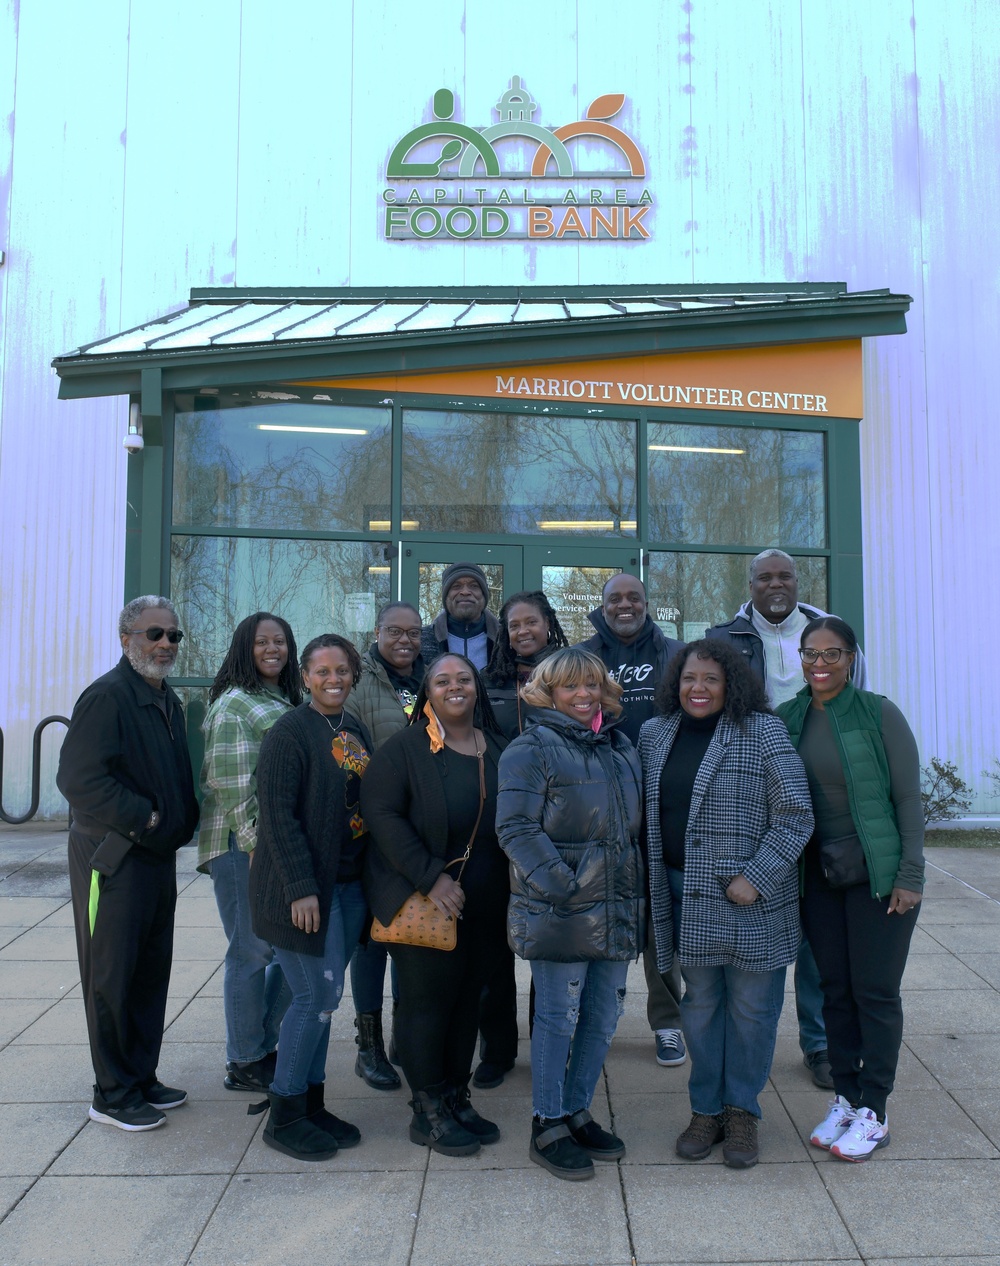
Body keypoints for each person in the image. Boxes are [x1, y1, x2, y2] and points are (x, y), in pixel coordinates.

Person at [638, 640, 813, 1169]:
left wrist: (756, 876)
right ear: (676, 681)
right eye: (690, 678)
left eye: (711, 680)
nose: (698, 688)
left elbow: (796, 813)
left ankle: (742, 1112)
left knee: (752, 1010)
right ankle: (705, 1109)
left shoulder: (762, 732)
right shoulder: (654, 734)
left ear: (730, 684)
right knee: (701, 1005)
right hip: (682, 895)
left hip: (751, 899)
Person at [706, 548, 869, 1091]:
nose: (776, 584)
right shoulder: (723, 639)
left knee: (820, 928)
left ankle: (819, 1043)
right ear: (749, 583)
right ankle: (742, 1039)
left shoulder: (832, 634)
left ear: (799, 581)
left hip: (820, 793)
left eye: (785, 575)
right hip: (751, 797)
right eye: (765, 577)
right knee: (761, 911)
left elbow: (853, 708)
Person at [777, 616, 924, 1162]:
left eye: (832, 654)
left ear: (851, 657)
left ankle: (875, 1111)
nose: (819, 664)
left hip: (878, 874)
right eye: (811, 653)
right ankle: (844, 1095)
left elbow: (908, 798)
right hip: (817, 875)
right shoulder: (787, 716)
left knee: (875, 992)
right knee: (833, 989)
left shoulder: (879, 713)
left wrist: (911, 873)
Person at [497, 646, 644, 1182]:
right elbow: (516, 829)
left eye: (591, 686)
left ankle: (578, 1110)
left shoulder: (621, 746)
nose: (583, 696)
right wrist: (566, 886)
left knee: (603, 1016)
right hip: (563, 909)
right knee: (558, 1015)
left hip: (617, 908)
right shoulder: (530, 747)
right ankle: (547, 1120)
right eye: (570, 688)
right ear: (549, 694)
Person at [56, 596, 199, 1131]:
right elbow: (78, 780)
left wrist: (176, 824)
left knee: (147, 973)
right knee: (111, 976)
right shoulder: (108, 697)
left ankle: (140, 1076)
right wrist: (149, 818)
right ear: (126, 639)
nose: (164, 644)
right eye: (153, 634)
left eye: (173, 636)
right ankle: (112, 1093)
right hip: (112, 861)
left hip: (155, 861)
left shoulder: (166, 700)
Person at [361, 654, 508, 1158]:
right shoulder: (404, 750)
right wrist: (431, 878)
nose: (455, 687)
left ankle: (454, 1095)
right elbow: (379, 814)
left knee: (469, 1001)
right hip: (424, 902)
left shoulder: (498, 748)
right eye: (442, 681)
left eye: (464, 679)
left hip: (484, 905)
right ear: (428, 692)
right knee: (427, 1004)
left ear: (477, 688)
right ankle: (427, 1111)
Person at [248, 634, 373, 1161]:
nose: (333, 679)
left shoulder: (352, 726)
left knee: (326, 999)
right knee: (314, 998)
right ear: (305, 677)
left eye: (341, 670)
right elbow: (276, 817)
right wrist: (301, 889)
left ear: (353, 675)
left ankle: (312, 1102)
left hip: (347, 887)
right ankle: (284, 1114)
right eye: (322, 671)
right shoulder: (290, 732)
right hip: (302, 892)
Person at [578, 573, 688, 1070]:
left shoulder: (678, 654)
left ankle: (668, 1022)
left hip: (663, 806)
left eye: (634, 598)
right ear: (602, 606)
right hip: (598, 803)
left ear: (647, 604)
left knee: (661, 923)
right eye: (615, 598)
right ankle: (593, 1020)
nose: (626, 605)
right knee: (596, 916)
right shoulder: (582, 656)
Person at [472, 590, 570, 1091]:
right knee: (494, 946)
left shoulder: (572, 678)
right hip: (499, 826)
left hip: (557, 829)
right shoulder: (488, 682)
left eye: (531, 622)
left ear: (548, 624)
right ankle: (497, 1049)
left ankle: (549, 1042)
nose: (522, 631)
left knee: (550, 944)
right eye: (513, 625)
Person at [198, 612, 299, 1093]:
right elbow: (231, 781)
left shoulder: (280, 696)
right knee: (250, 951)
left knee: (283, 949)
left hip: (271, 847)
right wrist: (257, 846)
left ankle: (262, 1042)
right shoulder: (235, 703)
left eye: (279, 641)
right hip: (242, 847)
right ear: (244, 647)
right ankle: (244, 1059)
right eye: (262, 642)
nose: (272, 649)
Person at [344, 600, 427, 1091]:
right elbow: (349, 751)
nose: (405, 640)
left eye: (413, 633)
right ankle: (368, 1045)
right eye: (395, 631)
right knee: (373, 941)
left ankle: (401, 1037)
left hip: (422, 830)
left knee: (410, 936)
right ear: (377, 633)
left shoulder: (432, 676)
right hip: (373, 829)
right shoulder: (359, 682)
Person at [420, 562, 500, 670]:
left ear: (484, 595)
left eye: (474, 586)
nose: (465, 592)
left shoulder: (506, 639)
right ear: (446, 595)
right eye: (456, 586)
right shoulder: (423, 639)